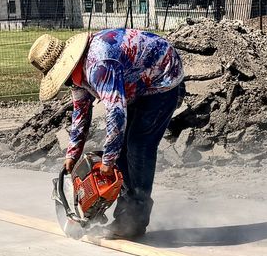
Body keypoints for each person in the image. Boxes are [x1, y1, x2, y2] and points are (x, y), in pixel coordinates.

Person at [28, 26, 186, 240]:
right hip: (136, 80)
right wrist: (72, 155)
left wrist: (108, 161)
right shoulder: (77, 75)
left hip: (163, 77)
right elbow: (80, 114)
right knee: (121, 148)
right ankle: (124, 216)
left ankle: (135, 221)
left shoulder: (99, 65)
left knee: (139, 146)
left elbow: (116, 113)